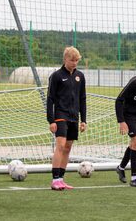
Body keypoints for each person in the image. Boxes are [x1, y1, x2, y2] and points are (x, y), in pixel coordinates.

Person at [47, 46, 87, 190]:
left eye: (76, 60)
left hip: (74, 117)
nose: (74, 63)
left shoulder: (80, 76)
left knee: (68, 147)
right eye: (72, 60)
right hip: (60, 115)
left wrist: (84, 120)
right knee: (61, 145)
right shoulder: (56, 76)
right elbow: (50, 99)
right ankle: (55, 179)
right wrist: (51, 120)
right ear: (65, 59)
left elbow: (82, 98)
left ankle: (61, 179)